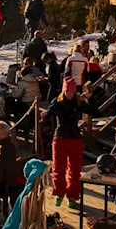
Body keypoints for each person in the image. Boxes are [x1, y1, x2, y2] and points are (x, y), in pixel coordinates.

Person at [49, 78, 90, 206]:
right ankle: (59, 193)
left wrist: (88, 100)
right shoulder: (58, 102)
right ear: (64, 90)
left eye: (72, 91)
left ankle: (72, 195)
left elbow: (94, 111)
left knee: (75, 168)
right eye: (67, 91)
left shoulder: (79, 102)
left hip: (74, 137)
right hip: (60, 137)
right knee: (58, 167)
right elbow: (49, 112)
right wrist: (54, 103)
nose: (70, 94)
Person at [0, 121, 23, 202]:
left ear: (2, 135)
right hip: (8, 180)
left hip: (0, 186)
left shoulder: (1, 149)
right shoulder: (11, 145)